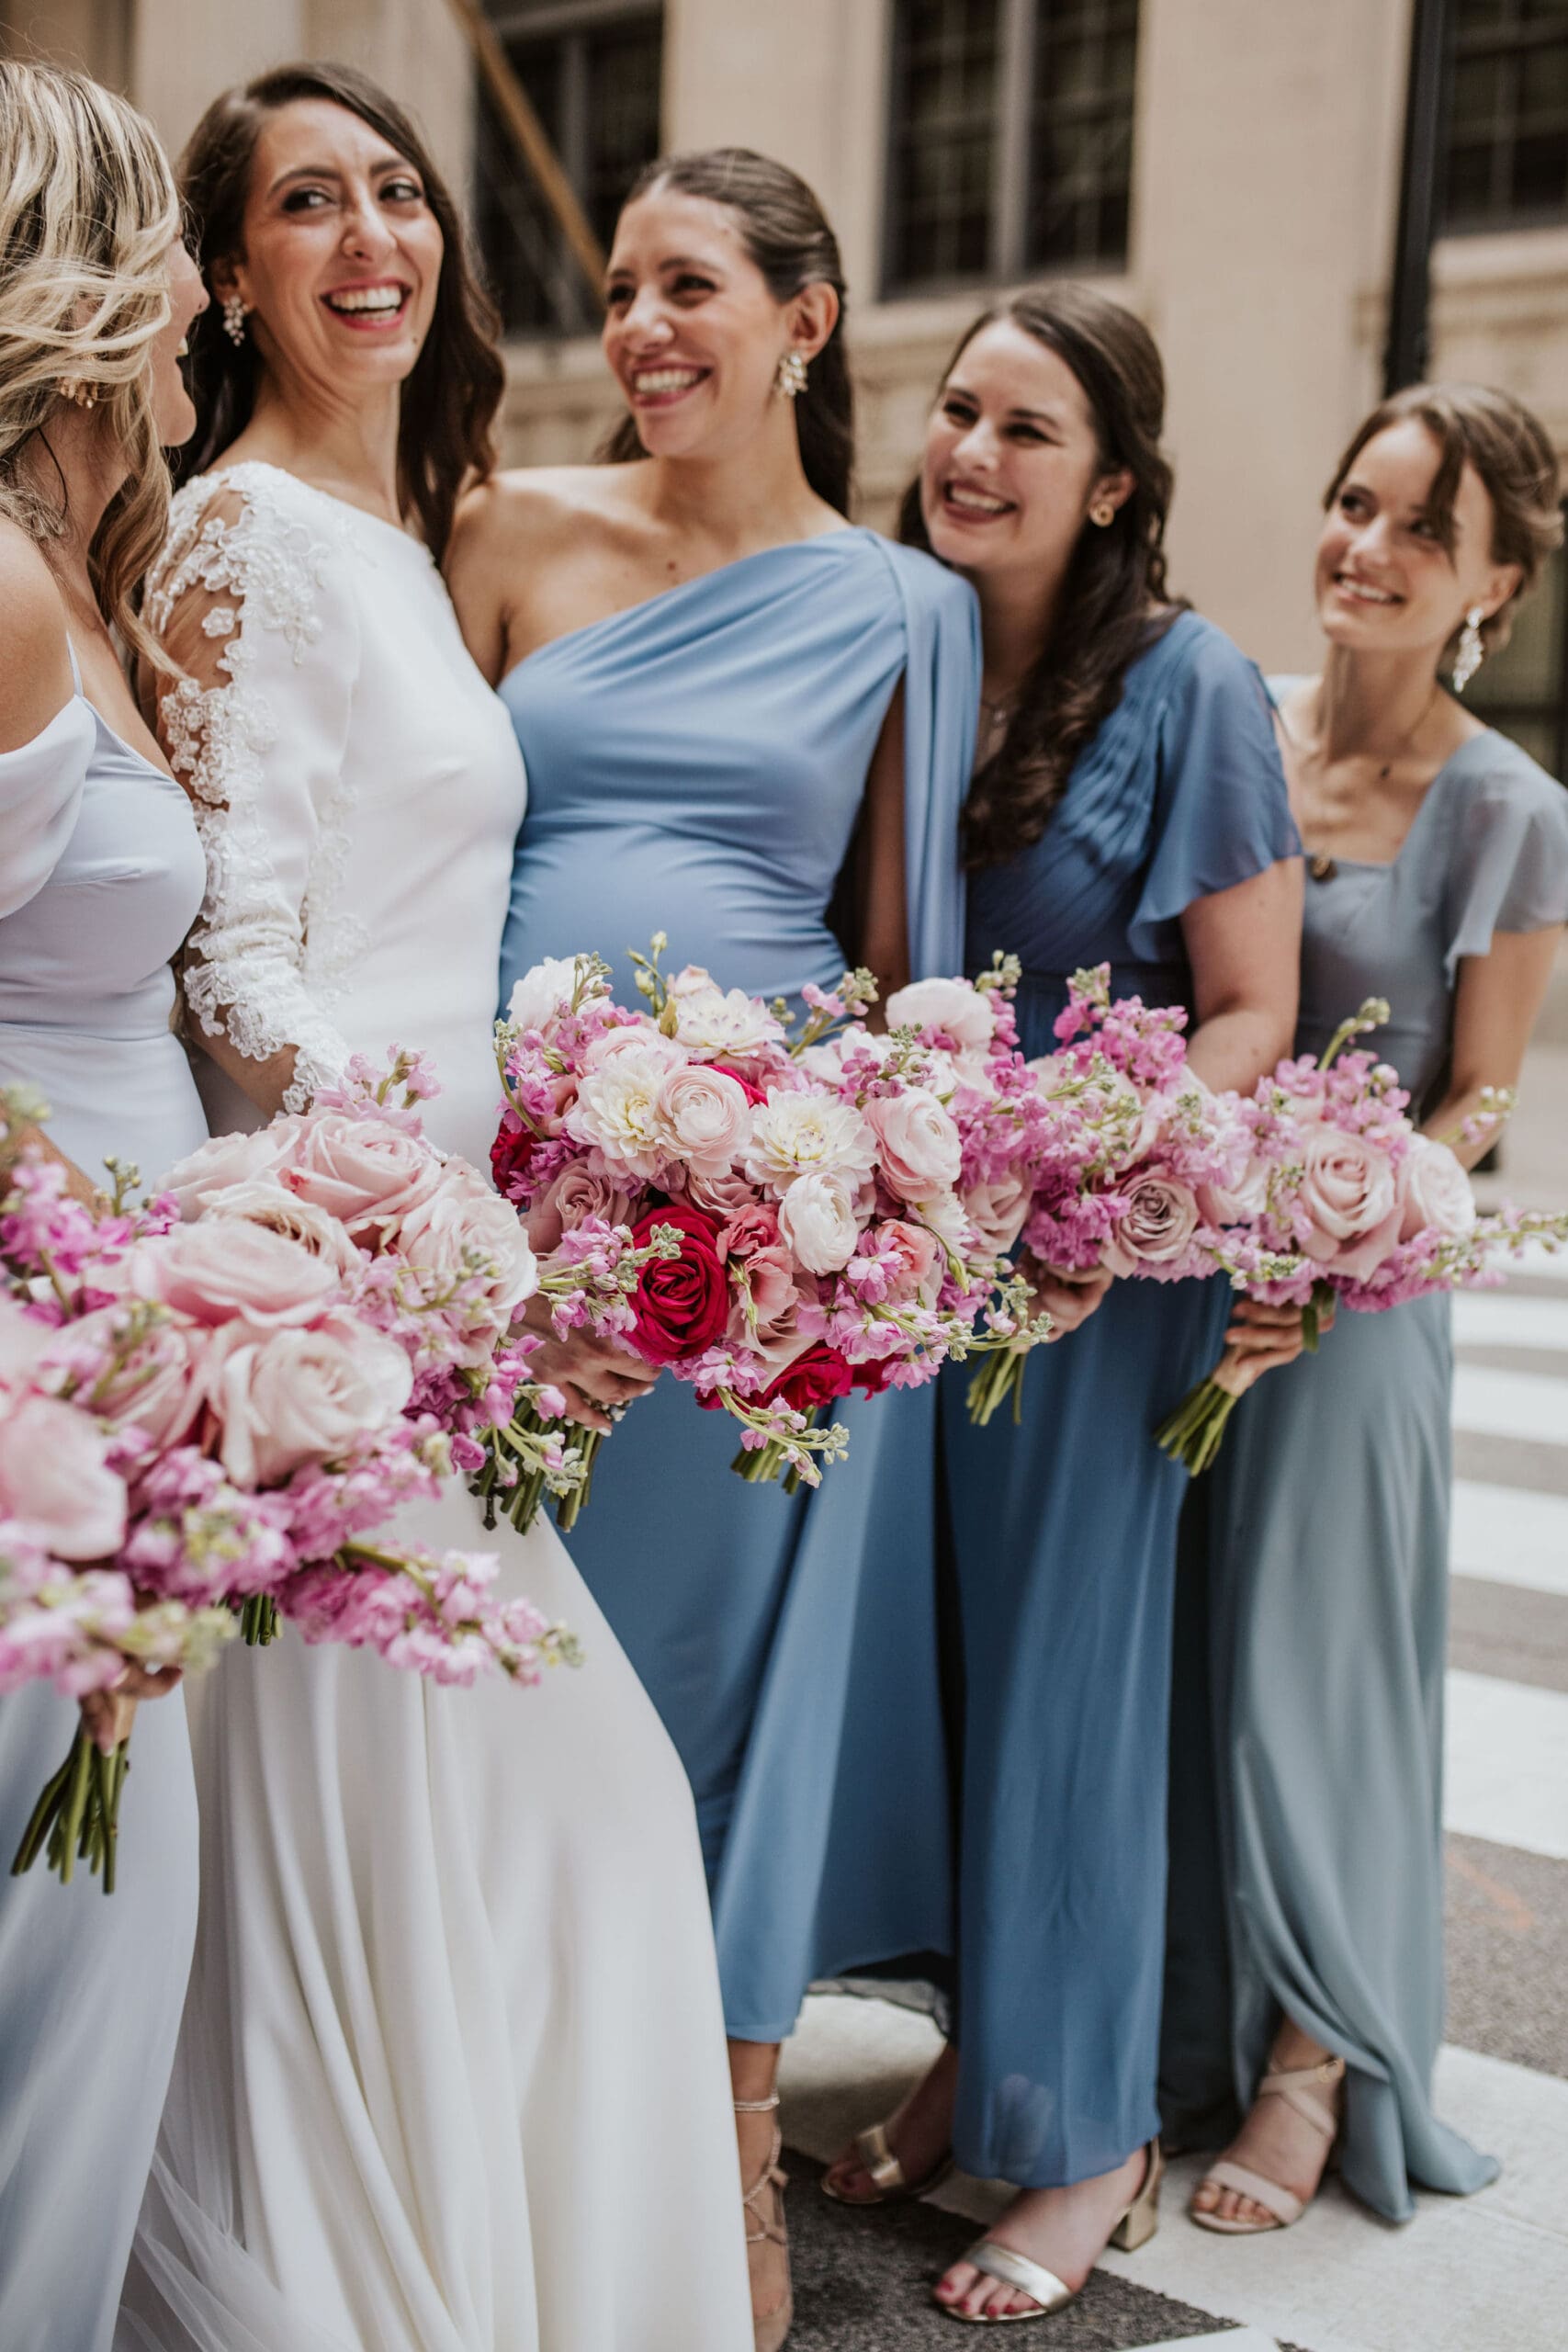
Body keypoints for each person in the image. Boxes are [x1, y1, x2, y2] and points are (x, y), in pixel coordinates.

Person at [115, 65, 750, 2352]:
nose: (371, 233)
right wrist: (425, 1236)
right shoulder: (237, 535)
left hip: (449, 1237)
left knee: (488, 1833)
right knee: (528, 1812)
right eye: (307, 203)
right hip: (334, 1262)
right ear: (223, 269)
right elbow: (228, 952)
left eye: (398, 189)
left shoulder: (399, 526)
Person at [446, 145, 980, 2348]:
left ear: (805, 316)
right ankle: (487, 2109)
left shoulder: (901, 608)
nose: (641, 327)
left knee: (729, 1704)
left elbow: (891, 951)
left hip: (767, 1234)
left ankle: (728, 2151)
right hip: (509, 1209)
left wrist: (842, 1211)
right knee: (503, 1666)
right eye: (617, 289)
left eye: (689, 287)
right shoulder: (502, 528)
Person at [820, 286, 1303, 2324]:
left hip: (1095, 1274)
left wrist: (1085, 1180)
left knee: (1062, 1692)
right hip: (913, 1255)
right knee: (934, 1674)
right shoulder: (906, 660)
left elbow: (1253, 1004)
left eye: (1028, 427)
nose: (971, 451)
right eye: (954, 409)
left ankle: (1088, 2121)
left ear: (1110, 481)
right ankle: (968, 2053)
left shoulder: (1188, 682)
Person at [1161, 381, 1568, 2233]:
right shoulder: (1232, 724)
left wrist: (1347, 1231)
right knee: (1166, 1658)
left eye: (1419, 525)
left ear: (1492, 577)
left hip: (1354, 1299)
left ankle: (1313, 2055)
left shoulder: (1508, 808)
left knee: (1307, 1675)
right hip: (1180, 1276)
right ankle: (1173, 2019)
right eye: (1350, 502)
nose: (1366, 546)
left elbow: (1477, 1095)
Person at [0, 61, 211, 2352]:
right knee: (56, 1924)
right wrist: (103, 1283)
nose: (198, 306)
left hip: (135, 1335)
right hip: (46, 1355)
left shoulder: (84, 570)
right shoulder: (1, 586)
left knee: (96, 1923)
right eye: (168, 249)